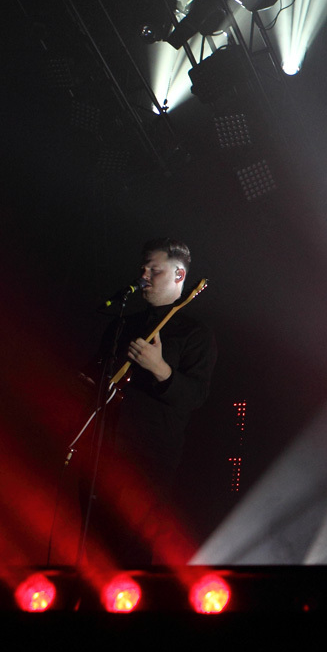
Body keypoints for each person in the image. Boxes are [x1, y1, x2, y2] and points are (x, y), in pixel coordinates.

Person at [84, 237, 216, 565]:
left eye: (154, 270)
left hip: (150, 459)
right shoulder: (122, 324)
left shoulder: (194, 333)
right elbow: (95, 375)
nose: (143, 275)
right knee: (92, 546)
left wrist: (160, 368)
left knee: (133, 553)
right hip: (103, 451)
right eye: (143, 268)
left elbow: (196, 396)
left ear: (179, 275)